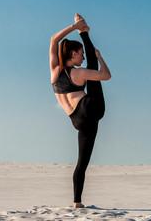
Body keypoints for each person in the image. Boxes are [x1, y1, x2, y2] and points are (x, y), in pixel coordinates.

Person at [49, 13, 111, 208]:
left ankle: (77, 201)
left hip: (77, 121)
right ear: (73, 54)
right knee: (93, 69)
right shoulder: (78, 71)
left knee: (81, 162)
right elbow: (106, 76)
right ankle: (85, 33)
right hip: (90, 108)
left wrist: (74, 26)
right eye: (81, 52)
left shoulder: (54, 72)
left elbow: (53, 40)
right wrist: (100, 57)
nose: (83, 56)